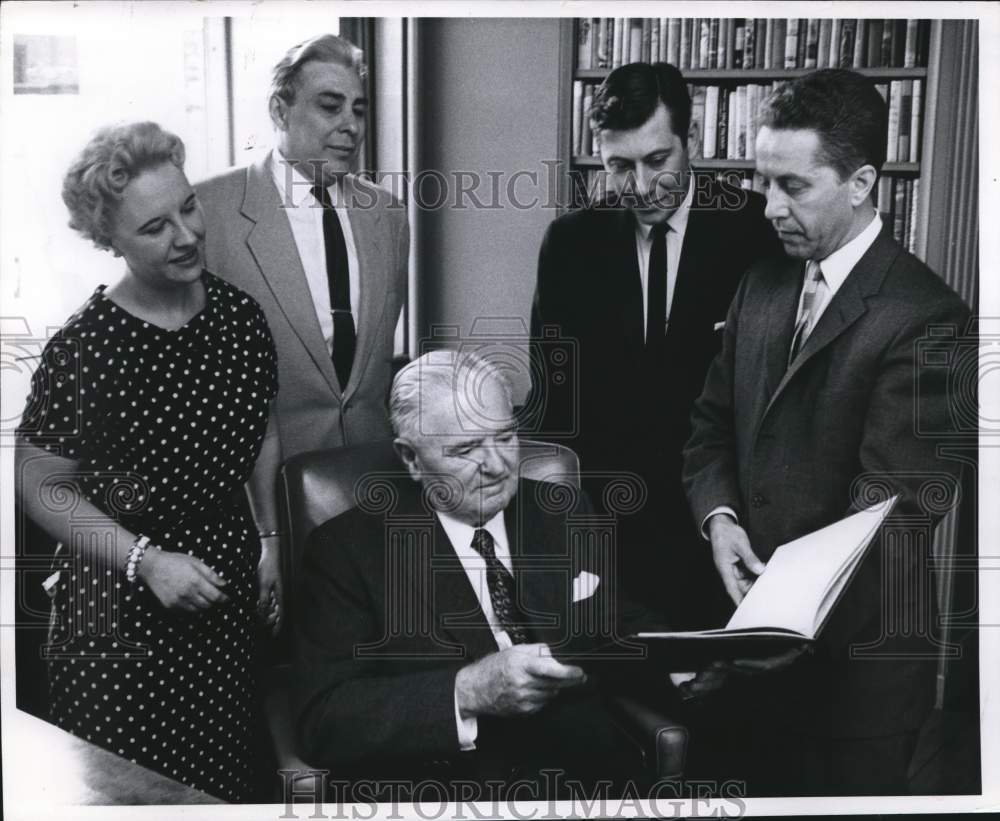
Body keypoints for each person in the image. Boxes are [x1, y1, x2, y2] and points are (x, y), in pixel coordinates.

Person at [682, 68, 972, 795]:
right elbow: (710, 426)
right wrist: (718, 518)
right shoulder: (761, 283)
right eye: (762, 181)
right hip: (750, 660)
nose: (769, 206)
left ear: (862, 181)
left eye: (793, 186)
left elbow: (895, 509)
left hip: (855, 681)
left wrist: (786, 611)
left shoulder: (929, 317)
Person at [15, 122, 282, 801]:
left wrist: (272, 539)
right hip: (119, 621)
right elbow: (40, 486)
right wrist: (146, 561)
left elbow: (263, 430)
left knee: (230, 791)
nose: (186, 235)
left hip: (225, 602)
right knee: (138, 801)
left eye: (188, 207)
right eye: (155, 227)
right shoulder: (87, 347)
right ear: (112, 242)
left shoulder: (242, 318)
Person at [293, 351, 653, 799]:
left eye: (505, 437)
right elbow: (323, 719)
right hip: (446, 790)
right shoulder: (347, 550)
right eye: (466, 449)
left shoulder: (563, 512)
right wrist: (466, 692)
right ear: (411, 459)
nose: (499, 466)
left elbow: (619, 623)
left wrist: (694, 664)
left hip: (581, 779)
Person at [527, 62, 782, 628]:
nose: (640, 188)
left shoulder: (756, 234)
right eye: (619, 166)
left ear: (690, 140)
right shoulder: (570, 245)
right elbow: (553, 401)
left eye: (657, 161)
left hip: (724, 532)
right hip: (605, 538)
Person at [196, 32, 408, 478]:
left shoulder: (388, 215)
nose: (351, 125)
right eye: (330, 106)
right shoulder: (208, 211)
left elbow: (374, 369)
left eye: (358, 109)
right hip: (258, 488)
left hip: (370, 480)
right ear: (280, 111)